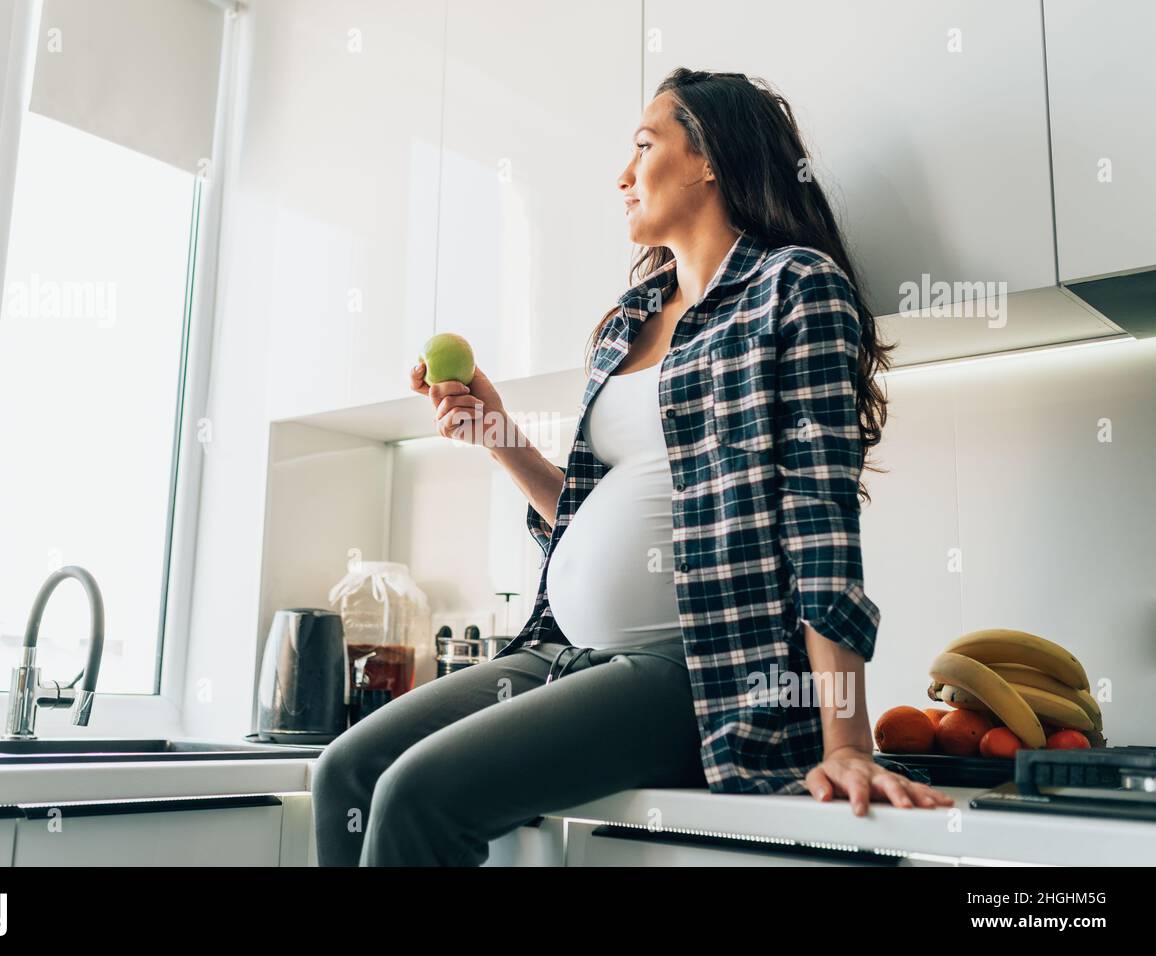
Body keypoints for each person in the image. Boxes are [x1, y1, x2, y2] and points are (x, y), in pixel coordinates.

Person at [311, 67, 954, 867]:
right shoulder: (626, 324)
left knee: (418, 795)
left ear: (710, 157)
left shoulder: (794, 289)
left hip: (700, 669)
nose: (621, 175)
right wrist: (499, 435)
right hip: (555, 651)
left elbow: (820, 525)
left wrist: (847, 739)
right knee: (344, 769)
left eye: (644, 146)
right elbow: (592, 513)